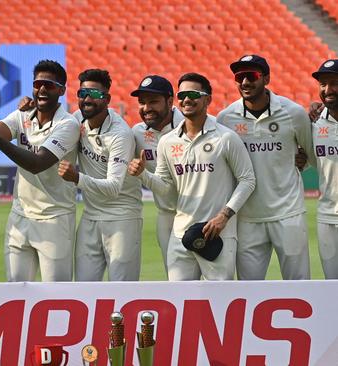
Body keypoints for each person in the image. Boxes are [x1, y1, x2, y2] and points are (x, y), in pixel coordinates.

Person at [128, 73, 256, 281]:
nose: (187, 99)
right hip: (180, 234)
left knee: (219, 301)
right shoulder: (167, 142)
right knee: (179, 301)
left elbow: (248, 180)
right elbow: (166, 187)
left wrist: (223, 216)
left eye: (193, 94)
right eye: (183, 94)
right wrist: (143, 175)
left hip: (216, 232)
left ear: (208, 99)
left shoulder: (225, 137)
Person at [0, 60, 80, 282]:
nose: (42, 89)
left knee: (56, 295)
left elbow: (37, 164)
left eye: (49, 85)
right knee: (15, 292)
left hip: (55, 218)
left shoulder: (67, 125)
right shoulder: (22, 116)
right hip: (20, 216)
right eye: (38, 84)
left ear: (61, 90)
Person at [216, 55, 313, 280]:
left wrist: (302, 162)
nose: (245, 82)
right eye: (240, 77)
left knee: (299, 286)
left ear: (266, 78)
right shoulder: (226, 118)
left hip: (288, 214)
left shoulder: (293, 113)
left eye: (252, 76)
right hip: (247, 218)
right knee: (249, 291)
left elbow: (309, 153)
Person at [56, 69, 141, 281]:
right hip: (90, 216)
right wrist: (27, 109)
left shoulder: (120, 134)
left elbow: (113, 188)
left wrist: (77, 178)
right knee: (84, 290)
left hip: (122, 217)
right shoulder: (77, 119)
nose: (87, 99)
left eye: (94, 94)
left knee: (122, 292)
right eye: (82, 93)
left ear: (107, 99)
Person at [130, 75, 182, 272]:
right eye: (142, 102)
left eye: (153, 102)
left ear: (170, 101)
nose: (146, 108)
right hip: (166, 215)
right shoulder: (137, 133)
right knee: (175, 278)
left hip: (201, 214)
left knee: (213, 281)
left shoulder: (190, 126)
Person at [309, 59, 338, 279]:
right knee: (332, 284)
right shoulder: (313, 123)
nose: (328, 90)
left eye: (334, 83)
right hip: (327, 216)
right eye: (323, 84)